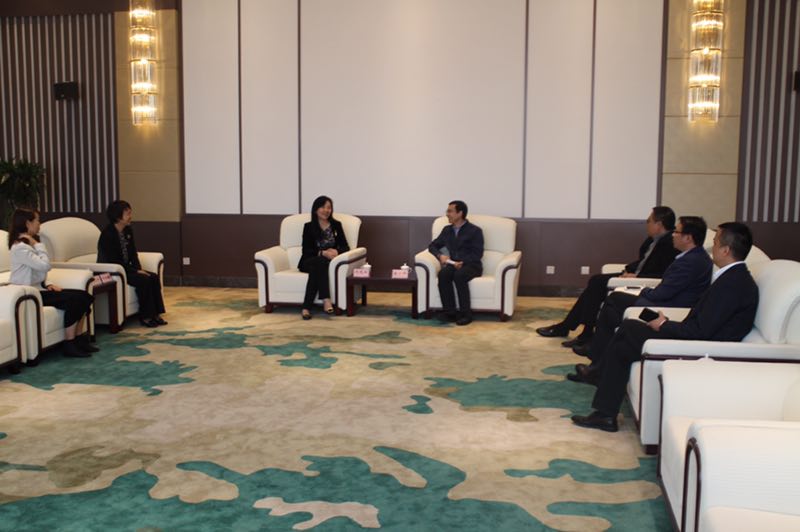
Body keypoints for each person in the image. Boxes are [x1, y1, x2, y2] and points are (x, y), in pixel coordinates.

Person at [571, 222, 759, 432]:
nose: (712, 248)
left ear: (725, 250)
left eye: (715, 243)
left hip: (701, 348)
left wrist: (664, 324)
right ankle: (604, 409)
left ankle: (603, 406)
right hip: (694, 336)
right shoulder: (732, 278)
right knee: (627, 332)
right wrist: (666, 322)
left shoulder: (733, 285)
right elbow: (703, 322)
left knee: (629, 330)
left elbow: (701, 332)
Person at [568, 216, 713, 376]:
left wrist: (643, 290)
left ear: (688, 238)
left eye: (677, 232)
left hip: (663, 311)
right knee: (612, 308)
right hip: (662, 304)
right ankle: (598, 363)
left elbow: (663, 293)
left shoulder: (691, 262)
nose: (673, 235)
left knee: (614, 302)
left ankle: (596, 361)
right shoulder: (692, 257)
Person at [536, 206, 679, 347]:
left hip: (644, 281)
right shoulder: (652, 240)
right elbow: (642, 261)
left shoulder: (670, 244)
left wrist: (636, 276)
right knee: (596, 283)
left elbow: (663, 273)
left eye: (649, 221)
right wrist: (627, 270)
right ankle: (574, 329)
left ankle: (579, 331)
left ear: (659, 224)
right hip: (635, 275)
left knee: (597, 283)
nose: (646, 224)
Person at [8, 208, 96, 359]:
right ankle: (69, 343)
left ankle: (79, 339)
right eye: (37, 220)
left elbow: (37, 271)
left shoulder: (26, 245)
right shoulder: (20, 248)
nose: (39, 224)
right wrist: (38, 244)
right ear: (28, 223)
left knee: (84, 296)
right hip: (30, 295)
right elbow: (45, 265)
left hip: (40, 289)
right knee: (74, 300)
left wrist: (48, 283)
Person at [97, 200, 166, 328]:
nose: (130, 216)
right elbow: (113, 260)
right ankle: (146, 316)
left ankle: (156, 314)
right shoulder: (107, 235)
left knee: (153, 277)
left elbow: (133, 253)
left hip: (127, 269)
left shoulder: (127, 230)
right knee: (143, 280)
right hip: (114, 271)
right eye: (127, 213)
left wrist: (138, 269)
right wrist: (135, 271)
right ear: (118, 216)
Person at [427, 200, 484, 326]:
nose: (447, 214)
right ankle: (450, 313)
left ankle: (466, 314)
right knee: (443, 274)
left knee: (459, 276)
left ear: (460, 213)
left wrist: (462, 262)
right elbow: (432, 246)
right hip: (453, 264)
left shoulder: (475, 231)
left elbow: (477, 254)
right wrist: (440, 255)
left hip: (472, 265)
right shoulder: (447, 230)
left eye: (450, 211)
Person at [298, 195, 350, 320]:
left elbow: (346, 247)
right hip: (308, 261)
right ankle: (326, 300)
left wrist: (337, 251)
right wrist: (322, 253)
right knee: (320, 262)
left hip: (326, 263)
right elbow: (306, 250)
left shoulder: (336, 225)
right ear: (316, 209)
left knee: (318, 267)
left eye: (329, 208)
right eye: (322, 207)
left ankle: (306, 308)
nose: (326, 210)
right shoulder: (308, 227)